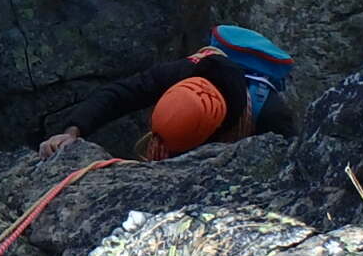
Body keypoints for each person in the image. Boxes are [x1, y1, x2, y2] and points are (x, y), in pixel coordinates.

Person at [37, 24, 297, 161]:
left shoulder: (270, 113)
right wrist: (72, 131)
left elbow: (288, 161)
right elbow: (119, 95)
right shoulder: (183, 72)